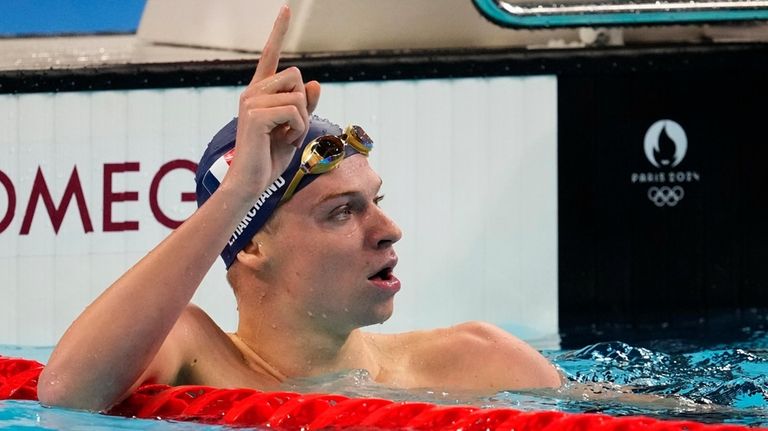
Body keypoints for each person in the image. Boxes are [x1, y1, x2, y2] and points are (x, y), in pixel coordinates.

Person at [37, 6, 562, 412]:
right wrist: (238, 193)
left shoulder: (480, 362)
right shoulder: (194, 354)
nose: (389, 231)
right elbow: (66, 393)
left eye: (376, 202)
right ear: (254, 245)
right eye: (341, 212)